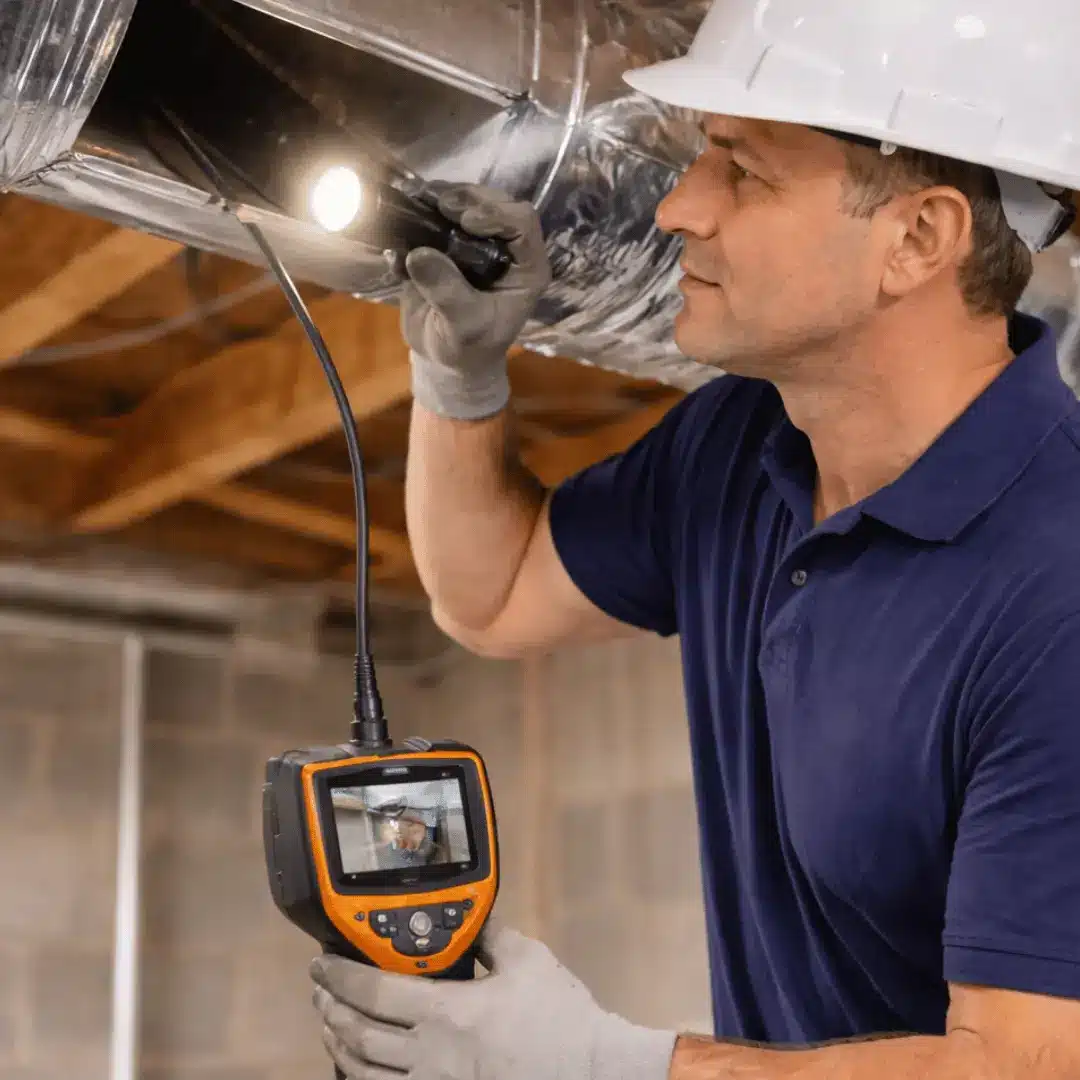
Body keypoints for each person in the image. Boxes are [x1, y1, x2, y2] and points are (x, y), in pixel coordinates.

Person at [310, 2, 1080, 1077]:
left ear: (917, 239)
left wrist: (603, 1063)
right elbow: (493, 594)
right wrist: (460, 380)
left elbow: (1026, 1064)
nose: (679, 206)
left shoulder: (1057, 591)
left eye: (744, 170)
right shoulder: (742, 440)